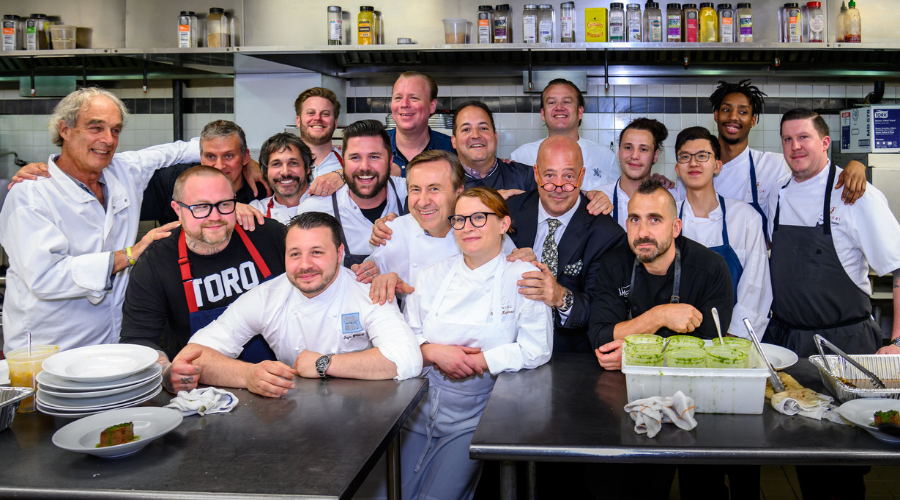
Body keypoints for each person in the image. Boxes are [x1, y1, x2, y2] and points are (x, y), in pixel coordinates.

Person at [0, 87, 199, 353]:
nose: (108, 139)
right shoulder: (31, 194)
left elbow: (183, 150)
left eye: (115, 130)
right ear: (65, 130)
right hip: (50, 347)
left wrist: (246, 162)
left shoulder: (123, 170)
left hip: (113, 340)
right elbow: (45, 277)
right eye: (96, 128)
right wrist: (130, 254)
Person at [400, 186, 552, 500]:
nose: (467, 227)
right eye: (459, 219)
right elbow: (407, 334)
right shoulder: (431, 276)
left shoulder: (523, 276)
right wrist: (433, 352)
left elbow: (537, 348)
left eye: (479, 217)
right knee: (386, 491)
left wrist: (477, 362)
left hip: (476, 418)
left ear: (503, 224)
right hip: (417, 411)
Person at [168, 212, 423, 397]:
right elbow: (193, 356)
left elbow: (408, 358)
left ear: (340, 253)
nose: (305, 265)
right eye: (295, 254)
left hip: (364, 414)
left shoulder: (369, 292)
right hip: (293, 415)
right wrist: (247, 376)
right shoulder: (267, 297)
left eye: (317, 252)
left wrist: (324, 363)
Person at [120, 166, 286, 392]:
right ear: (177, 210)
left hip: (281, 380)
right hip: (201, 392)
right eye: (201, 207)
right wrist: (166, 371)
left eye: (224, 204)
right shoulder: (155, 263)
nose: (215, 216)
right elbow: (138, 341)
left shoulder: (269, 236)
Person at [765, 108, 900, 359]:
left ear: (825, 142)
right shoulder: (777, 193)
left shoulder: (856, 194)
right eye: (787, 139)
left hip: (845, 344)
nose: (795, 146)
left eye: (804, 137)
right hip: (785, 340)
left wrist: (898, 341)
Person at [589, 178, 734, 372]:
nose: (642, 232)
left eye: (654, 220)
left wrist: (638, 353)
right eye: (635, 220)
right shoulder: (613, 264)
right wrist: (659, 316)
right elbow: (601, 337)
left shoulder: (711, 268)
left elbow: (710, 347)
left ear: (676, 228)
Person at [708, 80, 867, 243]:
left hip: (755, 258)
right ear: (716, 115)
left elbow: (817, 173)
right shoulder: (701, 168)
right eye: (726, 110)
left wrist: (856, 166)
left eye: (743, 112)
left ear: (753, 120)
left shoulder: (774, 165)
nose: (733, 117)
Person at [507, 135, 625, 353]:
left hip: (571, 356)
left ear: (582, 176)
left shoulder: (606, 234)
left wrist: (561, 296)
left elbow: (604, 313)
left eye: (568, 176)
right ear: (536, 174)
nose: (559, 187)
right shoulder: (507, 212)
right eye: (549, 175)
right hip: (509, 347)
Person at [674, 127, 771, 339]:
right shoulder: (668, 219)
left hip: (731, 338)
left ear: (717, 165)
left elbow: (756, 284)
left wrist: (732, 336)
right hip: (677, 337)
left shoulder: (745, 218)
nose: (693, 163)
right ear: (677, 168)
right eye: (685, 157)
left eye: (702, 156)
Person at [296, 119, 406, 275]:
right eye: (355, 157)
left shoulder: (412, 194)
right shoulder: (314, 210)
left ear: (390, 161)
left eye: (374, 157)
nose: (365, 167)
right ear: (343, 164)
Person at [140, 120, 270, 224]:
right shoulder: (173, 181)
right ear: (200, 157)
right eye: (210, 156)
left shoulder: (264, 189)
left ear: (245, 157)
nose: (219, 166)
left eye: (228, 156)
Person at [511, 78, 619, 190]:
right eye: (552, 102)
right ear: (543, 114)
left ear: (580, 112)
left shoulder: (606, 157)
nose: (559, 108)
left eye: (566, 102)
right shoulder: (521, 156)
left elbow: (618, 196)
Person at [598, 118, 680, 228]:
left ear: (655, 155)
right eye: (628, 147)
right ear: (619, 151)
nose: (634, 156)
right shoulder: (598, 198)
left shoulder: (672, 199)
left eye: (643, 149)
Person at [452, 100, 537, 195]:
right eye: (466, 129)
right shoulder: (444, 182)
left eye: (483, 128)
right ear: (454, 141)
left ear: (495, 137)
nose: (475, 135)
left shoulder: (526, 177)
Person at [388, 71, 455, 177]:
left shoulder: (452, 150)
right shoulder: (373, 146)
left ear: (432, 106)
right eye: (398, 98)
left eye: (414, 98)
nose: (404, 104)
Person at [293, 86, 347, 197]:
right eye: (311, 113)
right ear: (298, 121)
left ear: (335, 123)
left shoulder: (349, 166)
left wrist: (344, 174)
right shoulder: (281, 165)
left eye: (325, 114)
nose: (317, 118)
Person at [249, 133, 314, 224]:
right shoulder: (255, 211)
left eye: (293, 163)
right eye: (276, 164)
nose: (285, 172)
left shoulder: (328, 203)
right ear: (266, 172)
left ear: (307, 168)